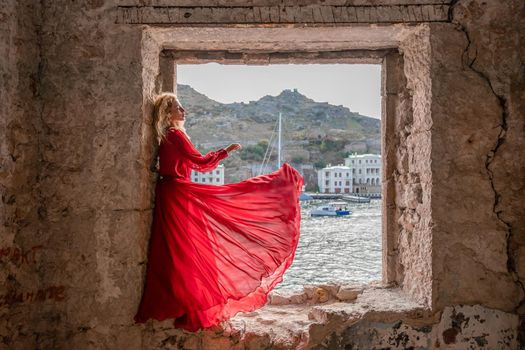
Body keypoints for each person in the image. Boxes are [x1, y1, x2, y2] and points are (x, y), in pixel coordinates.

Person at [134, 92, 304, 332]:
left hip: (171, 193)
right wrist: (226, 151)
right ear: (167, 113)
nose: (184, 111)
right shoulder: (175, 135)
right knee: (188, 249)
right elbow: (201, 163)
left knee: (179, 252)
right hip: (178, 194)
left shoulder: (168, 136)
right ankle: (195, 301)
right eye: (179, 108)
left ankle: (189, 301)